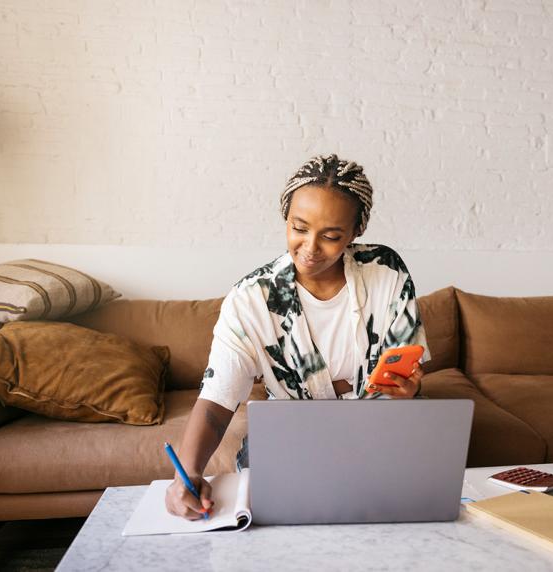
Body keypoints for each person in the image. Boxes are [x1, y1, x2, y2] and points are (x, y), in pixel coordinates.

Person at [165, 154, 431, 520]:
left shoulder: (386, 272)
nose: (310, 247)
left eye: (331, 236)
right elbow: (216, 400)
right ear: (285, 217)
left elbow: (406, 373)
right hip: (291, 439)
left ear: (356, 232)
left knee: (403, 516)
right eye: (299, 227)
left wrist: (409, 391)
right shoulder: (251, 300)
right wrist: (190, 472)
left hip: (377, 433)